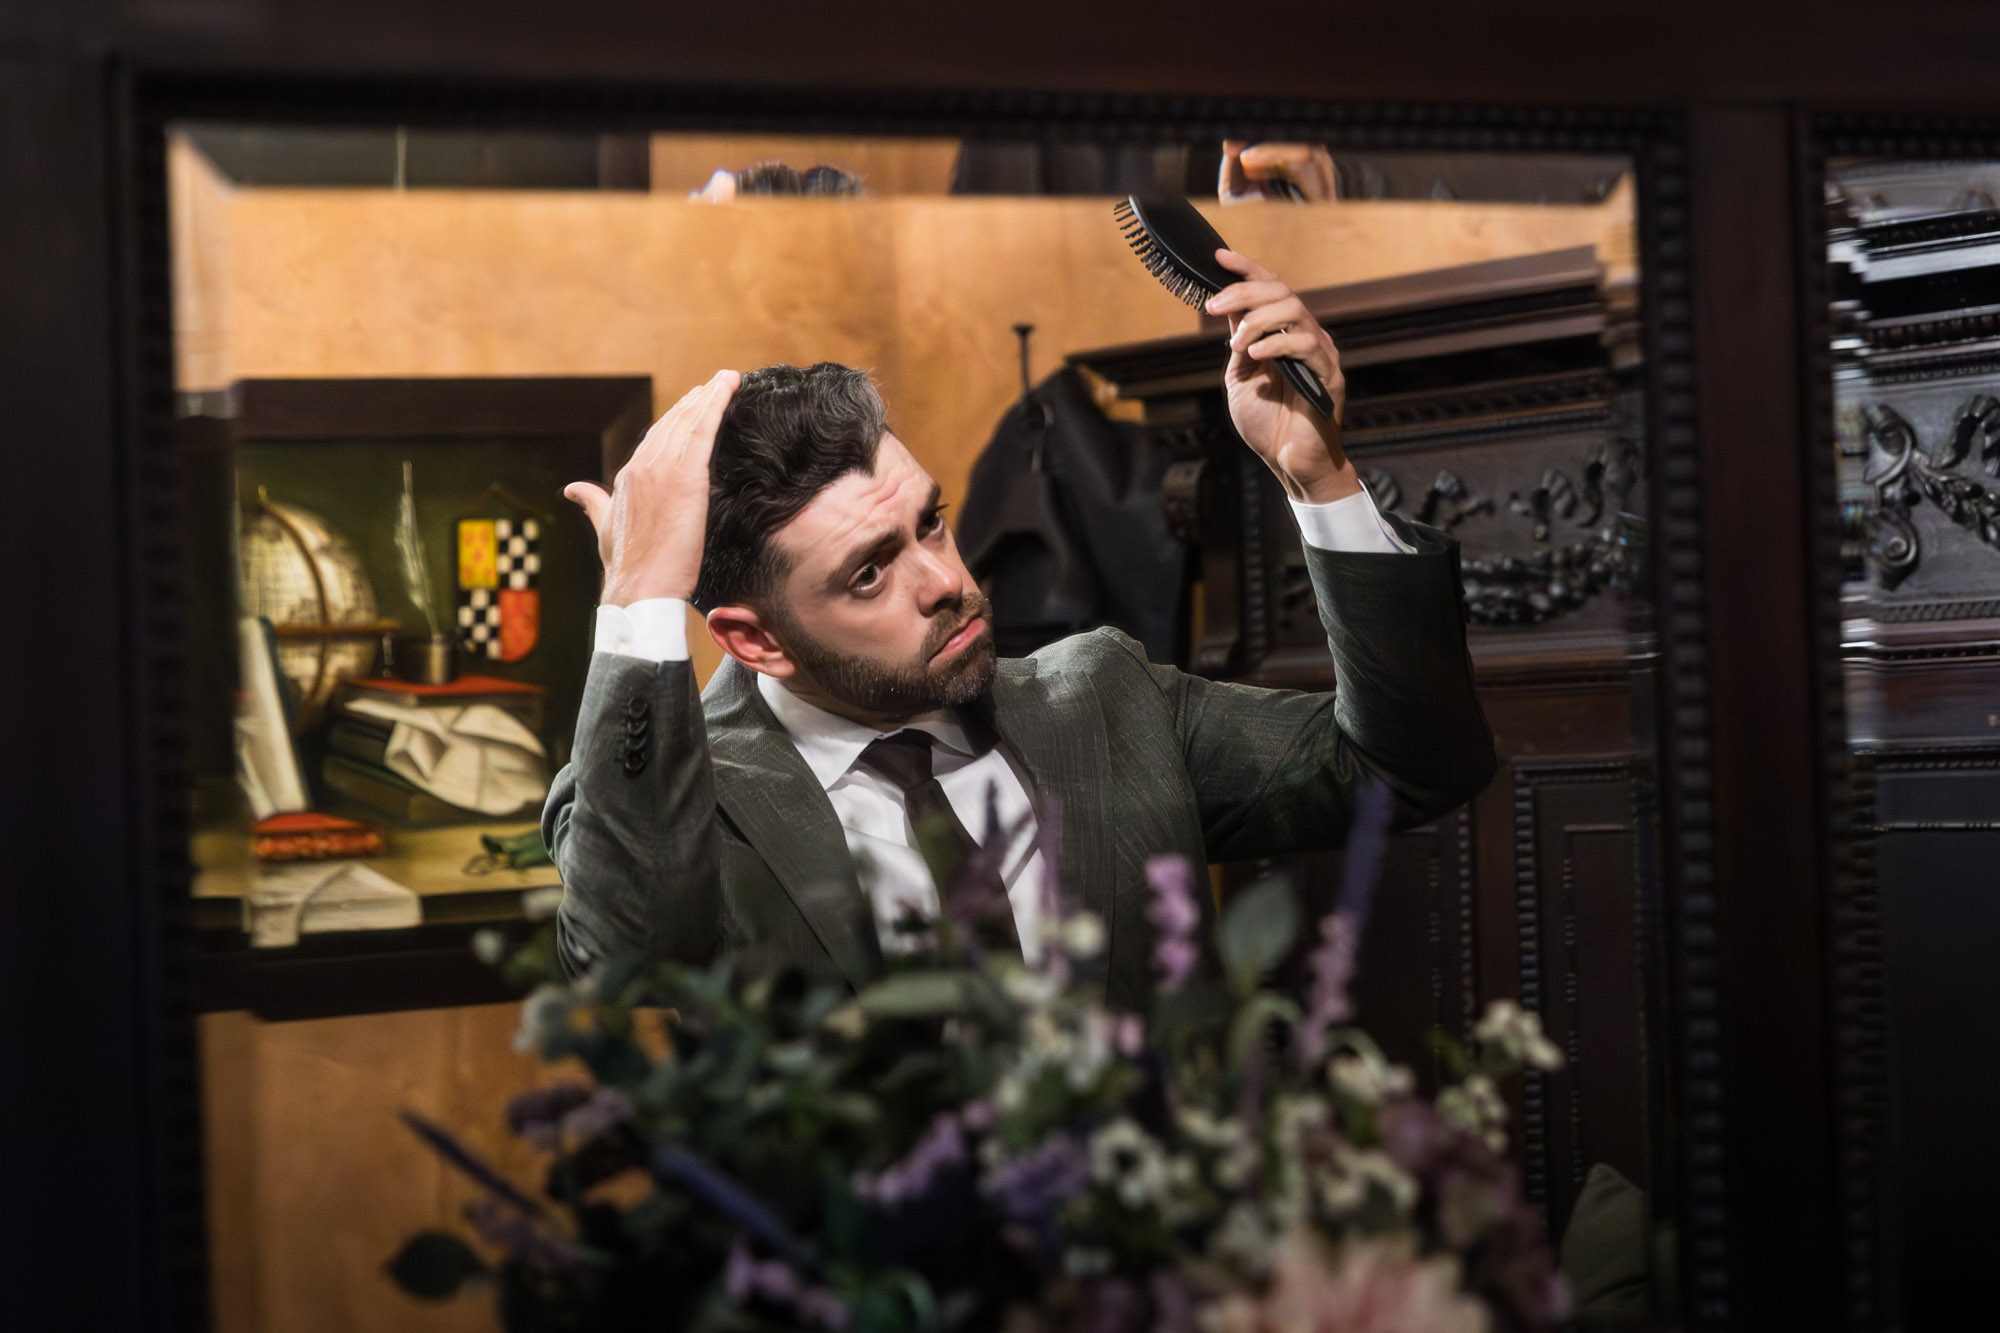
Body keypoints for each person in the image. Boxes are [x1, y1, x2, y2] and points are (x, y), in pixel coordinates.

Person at [546, 249, 1496, 1007]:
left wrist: (1317, 479)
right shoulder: (684, 797)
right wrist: (638, 599)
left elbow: (1412, 768)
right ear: (756, 640)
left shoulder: (1107, 700)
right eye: (870, 573)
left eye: (930, 521)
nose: (946, 581)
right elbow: (631, 953)